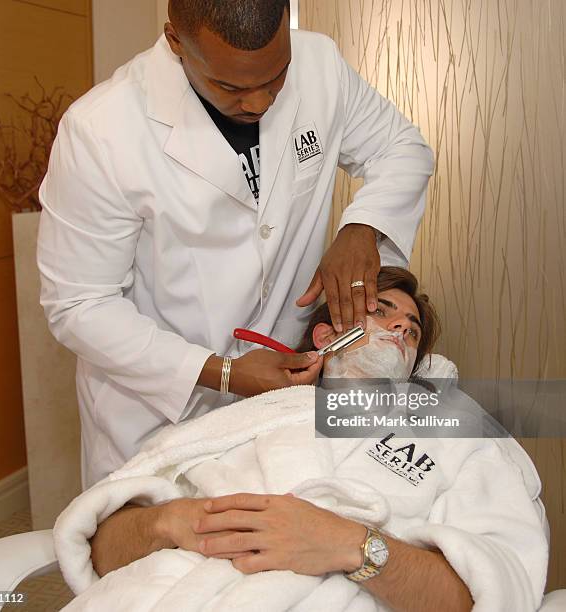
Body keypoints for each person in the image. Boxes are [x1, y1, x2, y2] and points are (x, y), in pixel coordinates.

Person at [37, 0, 435, 488]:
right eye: (231, 87)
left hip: (282, 409)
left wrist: (363, 227)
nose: (260, 102)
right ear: (175, 42)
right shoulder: (101, 131)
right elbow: (79, 305)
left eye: (276, 77)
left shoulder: (320, 64)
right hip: (159, 417)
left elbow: (402, 148)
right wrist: (222, 373)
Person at [53, 268, 548, 611]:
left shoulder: (455, 433)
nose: (401, 326)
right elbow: (99, 547)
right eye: (381, 311)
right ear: (326, 337)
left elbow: (496, 589)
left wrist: (353, 546)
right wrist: (172, 522)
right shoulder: (247, 418)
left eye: (412, 330)